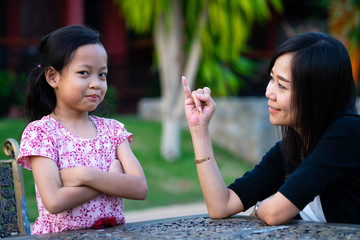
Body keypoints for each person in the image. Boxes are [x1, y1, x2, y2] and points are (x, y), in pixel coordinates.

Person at [182, 32, 360, 225]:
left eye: (282, 85)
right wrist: (199, 128)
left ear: (317, 95)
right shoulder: (292, 147)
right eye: (271, 78)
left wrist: (259, 208)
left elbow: (275, 213)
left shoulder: (348, 133)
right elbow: (221, 205)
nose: (268, 92)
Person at [17, 25, 148, 234]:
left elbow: (140, 188)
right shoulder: (42, 133)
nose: (96, 84)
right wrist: (111, 179)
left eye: (102, 75)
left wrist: (84, 175)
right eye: (84, 73)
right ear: (53, 77)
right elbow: (54, 200)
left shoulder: (113, 131)